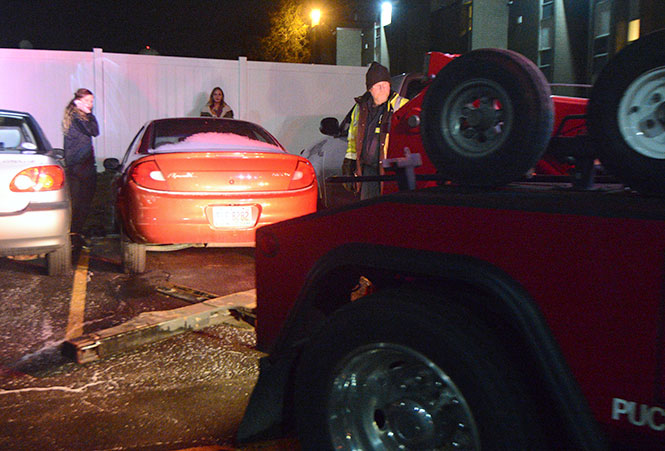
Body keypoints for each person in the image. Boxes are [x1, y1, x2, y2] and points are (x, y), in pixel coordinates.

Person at [342, 62, 408, 200]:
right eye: (379, 85)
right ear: (370, 89)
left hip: (392, 172)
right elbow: (353, 138)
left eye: (386, 84)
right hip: (368, 171)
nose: (384, 88)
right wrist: (349, 162)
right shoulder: (360, 109)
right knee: (368, 209)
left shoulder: (402, 105)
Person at [62, 88, 99, 237]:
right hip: (79, 164)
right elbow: (92, 131)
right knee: (80, 199)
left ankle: (75, 229)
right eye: (87, 101)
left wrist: (89, 115)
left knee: (81, 199)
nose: (90, 104)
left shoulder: (78, 116)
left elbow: (95, 131)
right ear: (78, 101)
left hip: (81, 163)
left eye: (91, 101)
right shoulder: (76, 117)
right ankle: (74, 230)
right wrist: (89, 115)